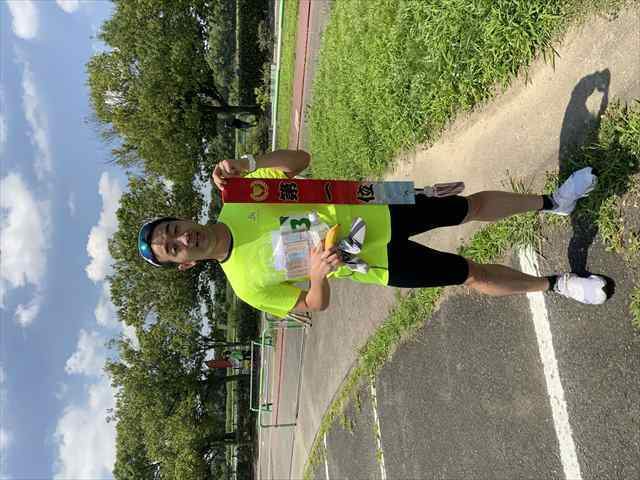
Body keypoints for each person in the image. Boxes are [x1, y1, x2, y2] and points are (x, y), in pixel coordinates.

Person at [137, 150, 609, 319]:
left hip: (376, 204)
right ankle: (556, 284)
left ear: (183, 220)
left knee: (470, 207)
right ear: (185, 264)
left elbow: (300, 161)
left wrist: (249, 163)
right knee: (468, 273)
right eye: (174, 249)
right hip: (373, 264)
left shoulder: (239, 194)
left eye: (174, 230)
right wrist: (318, 275)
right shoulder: (245, 286)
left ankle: (554, 202)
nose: (183, 239)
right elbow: (312, 305)